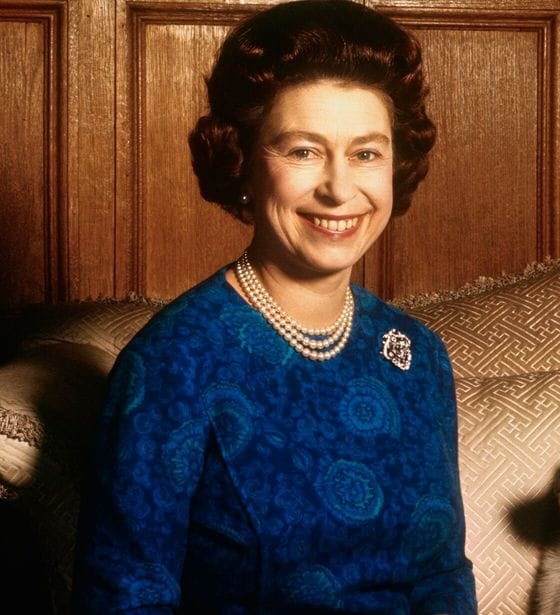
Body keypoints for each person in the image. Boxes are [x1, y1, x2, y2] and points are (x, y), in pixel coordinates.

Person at [72, 1, 477, 612]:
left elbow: (442, 576)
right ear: (242, 163)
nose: (340, 189)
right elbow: (124, 600)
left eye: (366, 153)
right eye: (303, 151)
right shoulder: (172, 365)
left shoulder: (416, 355)